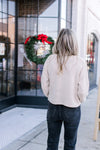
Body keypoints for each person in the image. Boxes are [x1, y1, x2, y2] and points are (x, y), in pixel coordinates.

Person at [41, 29, 89, 150]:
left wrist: (50, 95)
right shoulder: (80, 62)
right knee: (70, 143)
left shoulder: (50, 59)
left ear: (58, 42)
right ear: (74, 43)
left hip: (53, 106)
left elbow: (44, 84)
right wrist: (79, 100)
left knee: (52, 142)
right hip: (72, 108)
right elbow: (83, 90)